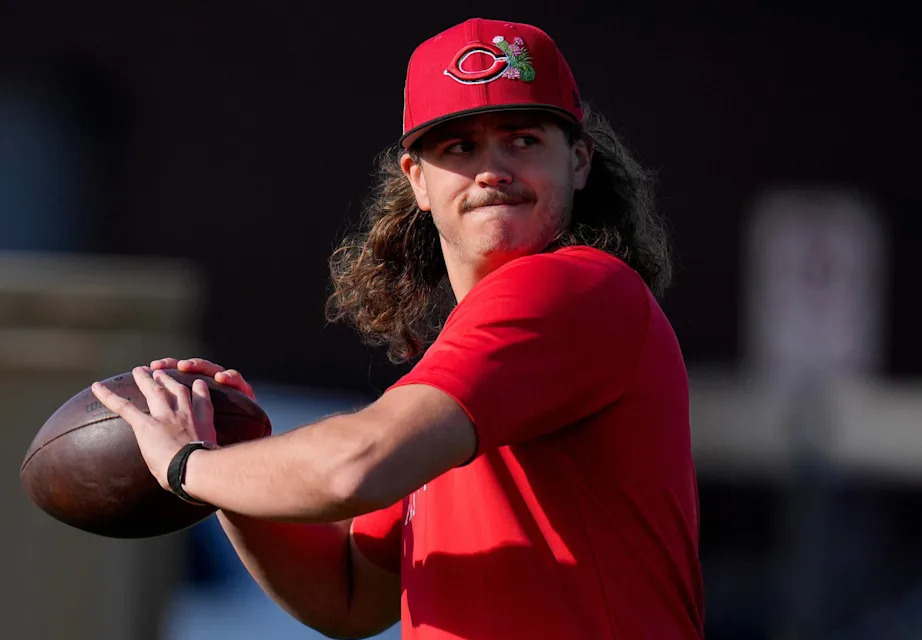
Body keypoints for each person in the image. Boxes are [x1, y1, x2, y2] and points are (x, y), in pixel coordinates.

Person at [92, 17, 704, 639]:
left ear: (578, 161)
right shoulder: (461, 375)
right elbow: (351, 597)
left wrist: (186, 466)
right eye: (460, 148)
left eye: (522, 140)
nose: (492, 169)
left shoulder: (571, 287)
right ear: (418, 180)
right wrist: (230, 464)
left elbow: (355, 465)